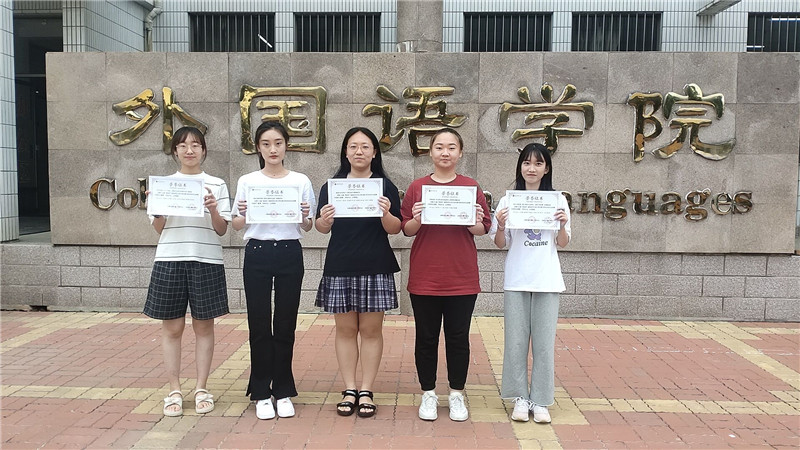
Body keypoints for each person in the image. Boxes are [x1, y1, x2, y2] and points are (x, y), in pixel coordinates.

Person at [400, 127, 492, 422]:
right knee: (426, 338)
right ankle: (428, 393)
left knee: (458, 338)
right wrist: (416, 217)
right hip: (425, 276)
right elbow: (406, 229)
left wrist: (474, 220)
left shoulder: (470, 187)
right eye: (439, 147)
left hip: (461, 277)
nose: (445, 152)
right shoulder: (417, 187)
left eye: (451, 147)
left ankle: (456, 394)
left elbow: (482, 229)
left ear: (460, 153)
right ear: (430, 152)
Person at [143, 126, 231, 417]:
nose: (189, 150)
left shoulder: (216, 185)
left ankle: (202, 388)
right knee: (172, 328)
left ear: (204, 150)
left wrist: (213, 209)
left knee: (204, 327)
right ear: (175, 151)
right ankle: (174, 390)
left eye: (195, 145)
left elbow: (222, 230)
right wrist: (159, 210)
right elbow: (159, 228)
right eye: (183, 146)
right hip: (170, 259)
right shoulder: (163, 186)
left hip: (207, 260)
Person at [315, 127, 402, 418]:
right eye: (353, 146)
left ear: (374, 152)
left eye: (365, 146)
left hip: (375, 265)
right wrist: (325, 220)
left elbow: (395, 228)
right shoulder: (332, 187)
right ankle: (349, 388)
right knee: (345, 330)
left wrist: (386, 213)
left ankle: (366, 389)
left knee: (371, 331)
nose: (359, 151)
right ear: (345, 152)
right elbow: (321, 228)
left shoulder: (385, 186)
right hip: (340, 265)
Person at [232, 121, 315, 420]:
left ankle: (282, 389)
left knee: (285, 323)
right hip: (257, 251)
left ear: (286, 145)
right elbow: (236, 224)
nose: (273, 149)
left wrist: (304, 216)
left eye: (278, 143)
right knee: (258, 323)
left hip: (290, 251)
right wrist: (242, 214)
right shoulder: (248, 181)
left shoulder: (300, 180)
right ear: (258, 147)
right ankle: (260, 391)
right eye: (266, 144)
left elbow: (308, 225)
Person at [490, 142, 571, 424]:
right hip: (517, 279)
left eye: (538, 163)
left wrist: (562, 224)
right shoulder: (508, 201)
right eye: (526, 163)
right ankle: (519, 398)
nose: (531, 168)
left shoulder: (558, 201)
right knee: (515, 342)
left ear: (546, 168)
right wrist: (500, 224)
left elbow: (563, 242)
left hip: (547, 280)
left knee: (544, 344)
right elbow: (500, 243)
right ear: (520, 167)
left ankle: (541, 400)